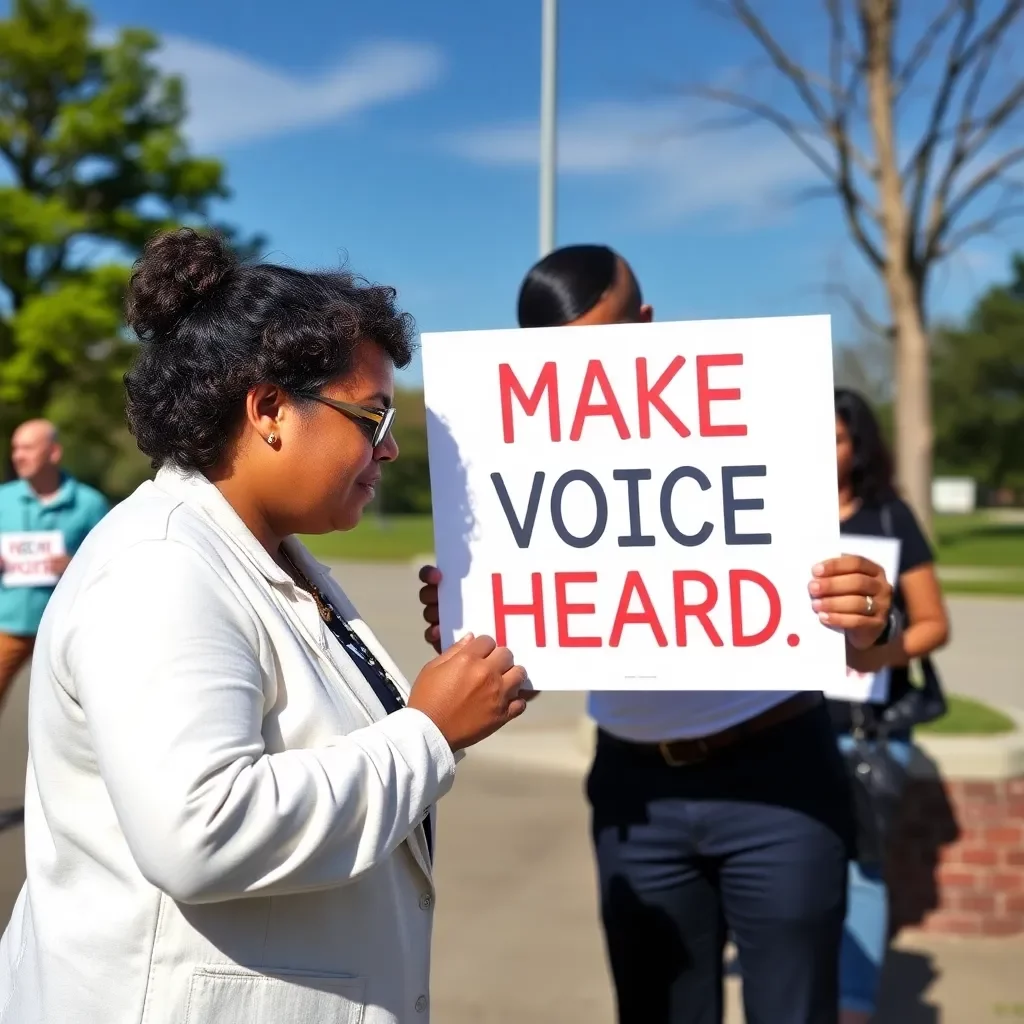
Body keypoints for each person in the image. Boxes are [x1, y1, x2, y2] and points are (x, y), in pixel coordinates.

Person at [0, 228, 530, 1024]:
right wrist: (429, 731)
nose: (386, 452)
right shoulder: (161, 567)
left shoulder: (264, 552)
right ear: (271, 410)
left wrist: (447, 680)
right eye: (371, 419)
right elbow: (201, 829)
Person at [417, 244, 899, 1024]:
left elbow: (865, 646)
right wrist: (481, 622)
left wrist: (872, 614)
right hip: (634, 794)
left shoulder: (754, 427)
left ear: (645, 322)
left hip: (778, 781)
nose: (582, 378)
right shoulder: (524, 456)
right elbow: (530, 654)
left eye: (601, 346)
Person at [830, 388, 949, 1024]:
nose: (826, 449)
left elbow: (933, 624)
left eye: (839, 438)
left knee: (861, 871)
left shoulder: (889, 518)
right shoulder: (770, 511)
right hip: (790, 725)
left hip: (866, 726)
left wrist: (876, 653)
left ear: (860, 446)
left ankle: (853, 1007)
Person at [0, 419, 109, 830]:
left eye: (27, 448)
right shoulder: (3, 501)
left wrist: (75, 565)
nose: (18, 457)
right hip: (7, 624)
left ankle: (97, 811)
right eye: (15, 449)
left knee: (87, 718)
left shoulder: (90, 505)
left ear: (53, 453)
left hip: (67, 632)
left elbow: (110, 563)